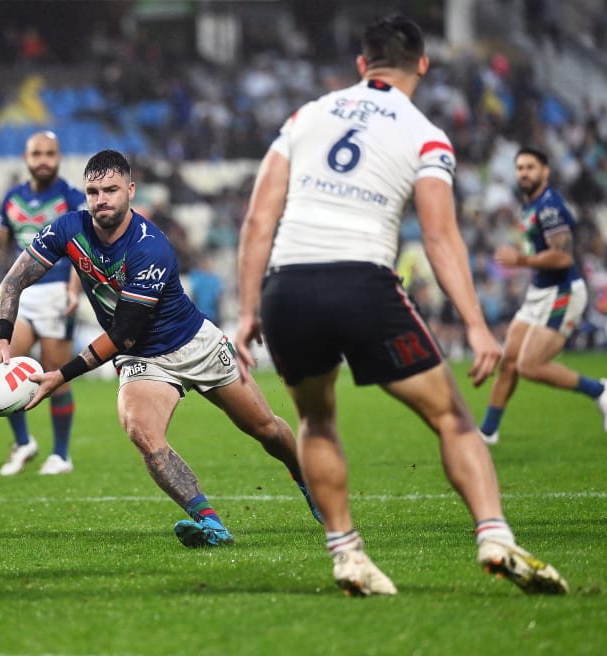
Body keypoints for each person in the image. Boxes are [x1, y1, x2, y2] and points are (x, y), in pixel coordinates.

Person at [235, 15, 567, 596]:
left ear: (362, 65)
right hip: (363, 283)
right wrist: (476, 326)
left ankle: (347, 555)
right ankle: (494, 535)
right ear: (423, 66)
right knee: (451, 417)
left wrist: (245, 312)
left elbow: (259, 218)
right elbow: (439, 237)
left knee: (316, 418)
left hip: (287, 287)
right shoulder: (425, 132)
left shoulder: (305, 116)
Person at [0, 149, 319, 548]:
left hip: (194, 344)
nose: (100, 200)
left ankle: (306, 476)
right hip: (143, 359)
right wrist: (1, 340)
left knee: (264, 428)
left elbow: (124, 331)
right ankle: (210, 522)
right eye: (93, 192)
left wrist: (62, 375)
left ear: (130, 190)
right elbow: (12, 282)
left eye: (110, 190)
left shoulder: (150, 247)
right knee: (142, 432)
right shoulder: (67, 229)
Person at [0, 131, 86, 476]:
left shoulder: (72, 198)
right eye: (37, 154)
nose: (43, 159)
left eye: (49, 153)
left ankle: (61, 454)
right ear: (26, 158)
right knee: (2, 367)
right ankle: (24, 441)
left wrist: (75, 290)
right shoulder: (12, 199)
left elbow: (82, 248)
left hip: (59, 290)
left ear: (59, 157)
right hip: (21, 293)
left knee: (55, 375)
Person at [478, 147, 607, 445]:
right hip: (539, 291)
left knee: (530, 365)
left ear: (545, 171)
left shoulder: (549, 206)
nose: (524, 173)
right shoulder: (529, 204)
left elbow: (563, 258)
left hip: (562, 291)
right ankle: (487, 432)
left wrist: (522, 261)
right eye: (520, 168)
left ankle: (600, 389)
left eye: (530, 167)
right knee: (509, 361)